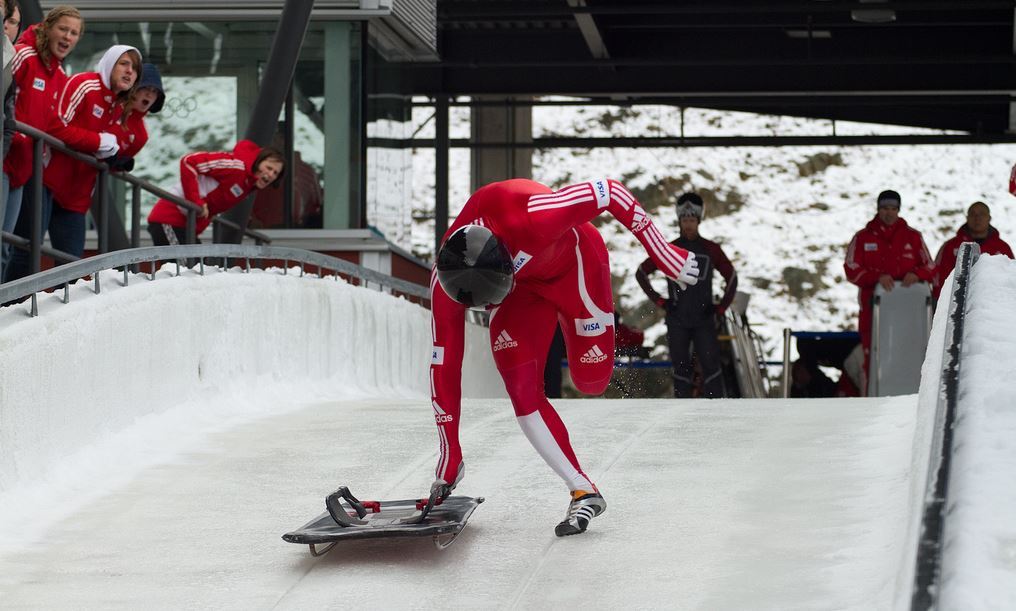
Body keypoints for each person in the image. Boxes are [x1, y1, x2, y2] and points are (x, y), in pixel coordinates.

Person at [429, 178, 700, 536]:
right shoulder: (445, 283)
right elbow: (443, 366)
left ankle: (572, 322)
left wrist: (662, 252)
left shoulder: (532, 215)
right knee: (521, 390)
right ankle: (583, 489)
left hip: (576, 269)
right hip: (521, 293)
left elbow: (610, 191)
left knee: (590, 381)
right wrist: (450, 454)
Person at [4, 44, 138, 283]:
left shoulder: (120, 109)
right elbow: (57, 127)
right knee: (27, 252)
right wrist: (98, 142)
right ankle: (9, 309)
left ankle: (60, 320)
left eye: (134, 69)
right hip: (47, 180)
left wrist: (115, 158)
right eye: (124, 64)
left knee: (71, 268)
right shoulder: (85, 84)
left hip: (77, 195)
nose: (130, 71)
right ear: (110, 63)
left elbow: (103, 147)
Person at [1, 5, 82, 273]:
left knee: (8, 247)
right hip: (4, 158)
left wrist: (98, 143)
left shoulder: (59, 75)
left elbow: (54, 125)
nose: (68, 37)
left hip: (23, 170)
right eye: (63, 29)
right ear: (47, 27)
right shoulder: (22, 54)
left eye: (74, 33)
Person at [635, 192, 737, 398]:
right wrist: (661, 301)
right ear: (679, 221)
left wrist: (720, 308)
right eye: (684, 220)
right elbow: (641, 273)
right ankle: (681, 417)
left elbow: (732, 276)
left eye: (692, 220)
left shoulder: (710, 249)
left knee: (711, 368)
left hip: (704, 320)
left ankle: (716, 413)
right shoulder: (668, 249)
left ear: (698, 221)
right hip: (677, 319)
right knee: (681, 370)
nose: (688, 224)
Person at [844, 189, 934, 392]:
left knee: (910, 356)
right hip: (873, 312)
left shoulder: (913, 237)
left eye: (893, 208)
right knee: (872, 358)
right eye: (885, 208)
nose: (889, 213)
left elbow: (930, 267)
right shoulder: (863, 237)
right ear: (878, 209)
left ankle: (912, 403)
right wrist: (876, 278)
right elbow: (851, 269)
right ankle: (871, 404)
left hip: (911, 316)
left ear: (899, 210)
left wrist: (917, 274)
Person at [146, 141, 284, 245]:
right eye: (269, 167)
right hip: (168, 219)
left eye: (275, 173)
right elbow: (189, 161)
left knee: (199, 270)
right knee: (184, 272)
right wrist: (196, 201)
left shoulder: (248, 185)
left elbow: (211, 203)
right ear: (258, 162)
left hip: (188, 227)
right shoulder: (236, 167)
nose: (270, 174)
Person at [932, 201, 1013, 301]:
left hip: (993, 305)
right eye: (973, 214)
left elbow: (1011, 279)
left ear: (989, 218)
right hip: (955, 305)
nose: (977, 218)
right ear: (967, 218)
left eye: (982, 214)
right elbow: (938, 276)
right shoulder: (950, 246)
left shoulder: (1003, 248)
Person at [106, 62, 165, 173]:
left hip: (89, 180)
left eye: (155, 91)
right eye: (146, 88)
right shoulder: (109, 104)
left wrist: (120, 164)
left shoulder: (141, 136)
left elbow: (111, 170)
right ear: (134, 87)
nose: (149, 94)